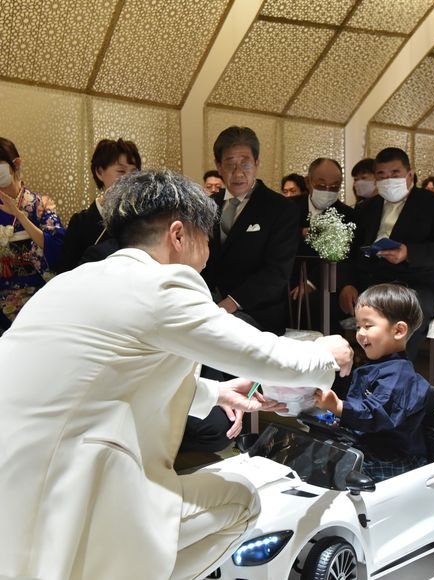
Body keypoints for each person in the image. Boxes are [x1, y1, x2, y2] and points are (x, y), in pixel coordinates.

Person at [0, 170, 354, 580]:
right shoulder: (162, 284)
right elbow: (261, 354)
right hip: (74, 486)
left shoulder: (68, 283)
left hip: (14, 479)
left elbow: (108, 375)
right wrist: (325, 355)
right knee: (241, 502)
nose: (207, 257)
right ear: (179, 235)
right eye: (207, 241)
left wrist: (215, 393)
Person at [338, 147, 434, 361]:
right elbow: (351, 250)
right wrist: (347, 283)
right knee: (327, 302)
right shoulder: (367, 208)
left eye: (395, 173)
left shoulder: (433, 204)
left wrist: (408, 252)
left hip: (414, 283)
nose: (388, 180)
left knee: (404, 313)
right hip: (371, 280)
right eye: (382, 175)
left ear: (409, 175)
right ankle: (341, 368)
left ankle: (393, 371)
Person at [314, 283, 430, 481]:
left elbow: (376, 414)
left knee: (331, 473)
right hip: (366, 445)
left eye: (368, 326)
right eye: (358, 326)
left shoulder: (399, 376)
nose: (360, 333)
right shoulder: (376, 366)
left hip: (391, 459)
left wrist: (339, 407)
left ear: (399, 330)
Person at [202, 126, 300, 335]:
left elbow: (277, 272)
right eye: (230, 164)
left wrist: (231, 303)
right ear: (218, 166)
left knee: (217, 333)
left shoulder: (280, 208)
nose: (238, 173)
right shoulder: (207, 205)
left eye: (245, 164)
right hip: (209, 304)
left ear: (257, 163)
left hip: (256, 311)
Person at [0, 137, 65, 331]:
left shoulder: (41, 205)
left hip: (38, 292)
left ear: (16, 164)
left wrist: (20, 216)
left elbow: (57, 248)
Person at [56, 138, 141, 272]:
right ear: (100, 172)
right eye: (121, 171)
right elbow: (66, 273)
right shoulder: (80, 223)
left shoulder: (142, 218)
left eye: (134, 172)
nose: (130, 179)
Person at [289, 158, 354, 331]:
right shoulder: (287, 207)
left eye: (334, 187)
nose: (327, 191)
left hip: (325, 281)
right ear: (308, 182)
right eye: (321, 185)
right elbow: (277, 239)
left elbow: (346, 256)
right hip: (287, 276)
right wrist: (301, 232)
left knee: (318, 306)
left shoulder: (347, 215)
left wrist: (311, 282)